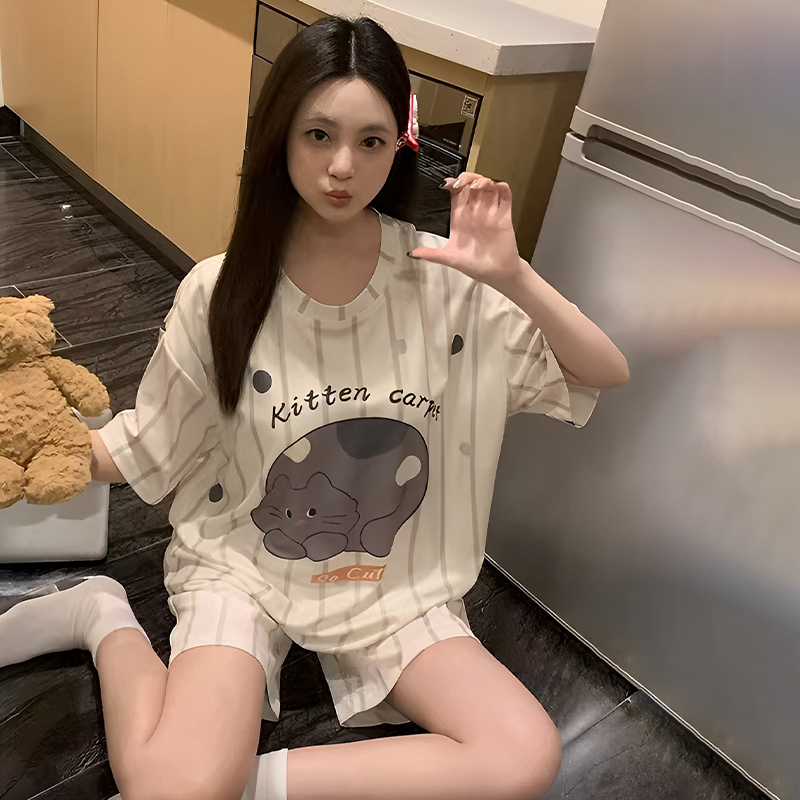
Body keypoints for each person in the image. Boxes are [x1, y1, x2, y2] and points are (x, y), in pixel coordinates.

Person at [0, 15, 629, 800]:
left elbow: (602, 370)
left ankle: (227, 786)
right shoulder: (222, 289)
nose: (342, 166)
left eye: (371, 141)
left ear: (400, 146)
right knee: (174, 782)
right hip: (246, 566)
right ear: (280, 136)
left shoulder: (444, 282)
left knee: (523, 755)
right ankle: (102, 619)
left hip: (395, 576)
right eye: (319, 134)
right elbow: (149, 444)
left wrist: (513, 277)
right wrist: (36, 446)